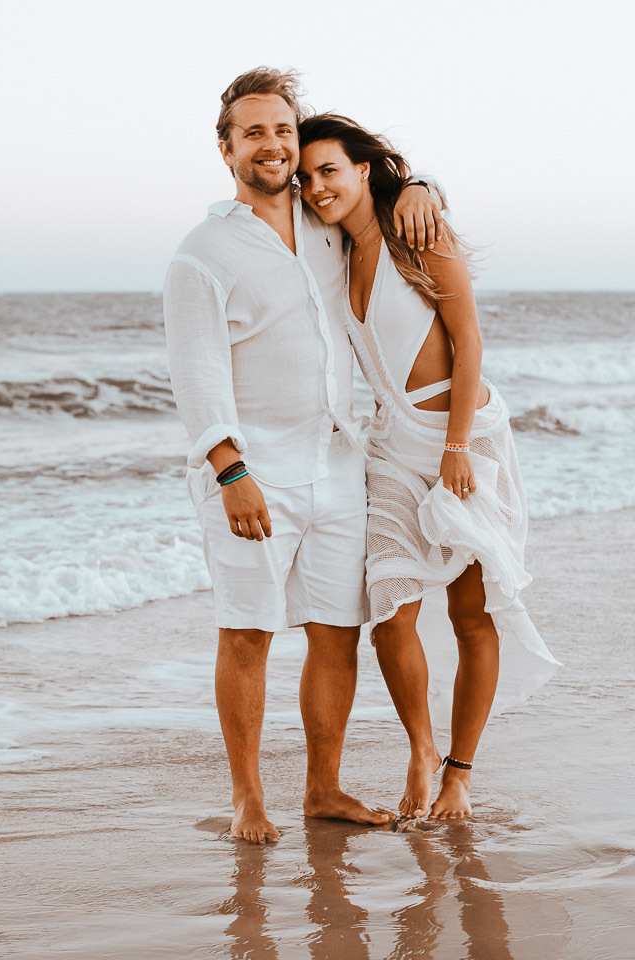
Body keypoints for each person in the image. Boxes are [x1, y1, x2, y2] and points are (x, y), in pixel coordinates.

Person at [163, 68, 443, 844]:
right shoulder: (203, 253)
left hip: (338, 463)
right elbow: (196, 371)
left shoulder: (326, 223)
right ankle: (248, 799)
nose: (273, 145)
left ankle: (323, 788)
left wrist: (419, 182)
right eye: (253, 133)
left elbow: (380, 186)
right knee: (247, 631)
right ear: (226, 151)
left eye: (283, 130)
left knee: (334, 629)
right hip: (253, 473)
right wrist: (230, 471)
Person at [297, 114, 560, 820]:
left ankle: (459, 773)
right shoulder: (328, 251)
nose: (318, 186)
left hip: (461, 437)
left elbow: (469, 340)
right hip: (390, 446)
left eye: (330, 170)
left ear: (361, 170)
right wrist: (422, 180)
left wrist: (457, 448)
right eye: (308, 175)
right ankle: (419, 748)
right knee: (390, 608)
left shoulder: (415, 230)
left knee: (471, 612)